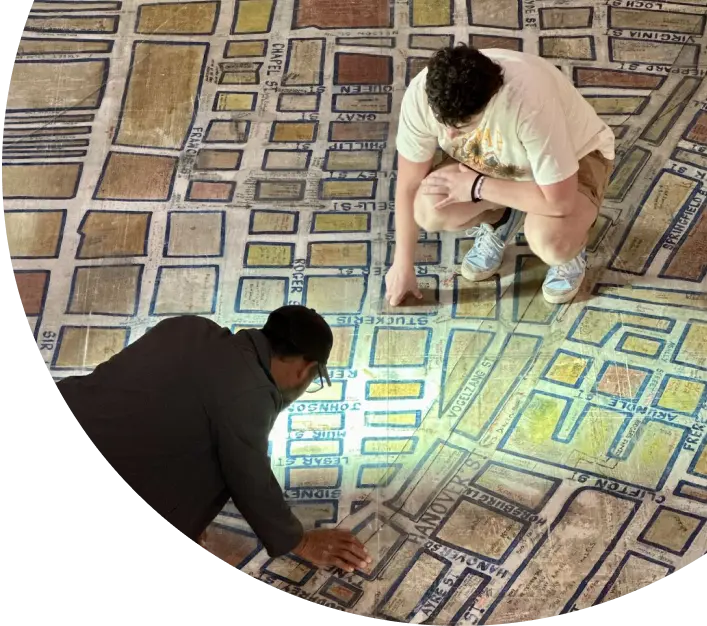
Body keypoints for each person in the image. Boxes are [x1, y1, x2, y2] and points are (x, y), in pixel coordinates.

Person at [54, 306, 371, 573]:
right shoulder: (252, 396)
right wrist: (301, 541)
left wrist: (191, 513)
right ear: (306, 369)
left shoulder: (189, 327)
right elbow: (251, 480)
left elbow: (161, 411)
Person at [386, 44, 615, 306]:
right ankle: (504, 217)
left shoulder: (530, 102)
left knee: (551, 241)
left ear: (490, 99)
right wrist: (402, 265)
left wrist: (477, 187)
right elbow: (409, 184)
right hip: (500, 165)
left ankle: (571, 252)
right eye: (442, 122)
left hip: (574, 160)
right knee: (430, 206)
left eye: (462, 126)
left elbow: (559, 201)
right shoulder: (422, 93)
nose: (449, 135)